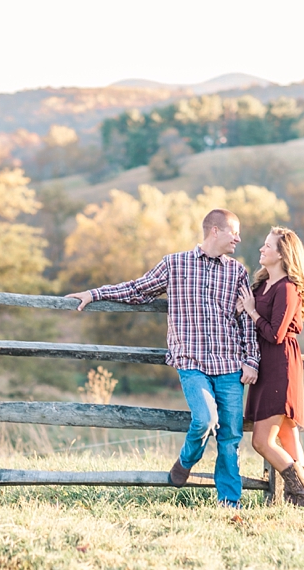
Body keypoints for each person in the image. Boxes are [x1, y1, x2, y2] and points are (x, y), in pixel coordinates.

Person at [66, 209, 260, 508]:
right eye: (234, 231)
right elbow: (137, 289)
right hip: (190, 362)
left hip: (229, 363)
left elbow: (246, 320)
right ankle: (186, 461)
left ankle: (229, 502)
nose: (239, 238)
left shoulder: (237, 272)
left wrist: (251, 360)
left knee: (231, 435)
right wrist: (94, 293)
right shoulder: (175, 264)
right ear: (215, 231)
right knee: (205, 419)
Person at [237, 226, 304, 509]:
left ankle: (301, 492)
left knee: (262, 442)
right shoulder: (262, 286)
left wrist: (251, 311)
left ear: (282, 254)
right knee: (286, 435)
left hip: (280, 365)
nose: (262, 249)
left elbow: (275, 334)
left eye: (268, 246)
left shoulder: (287, 289)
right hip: (265, 366)